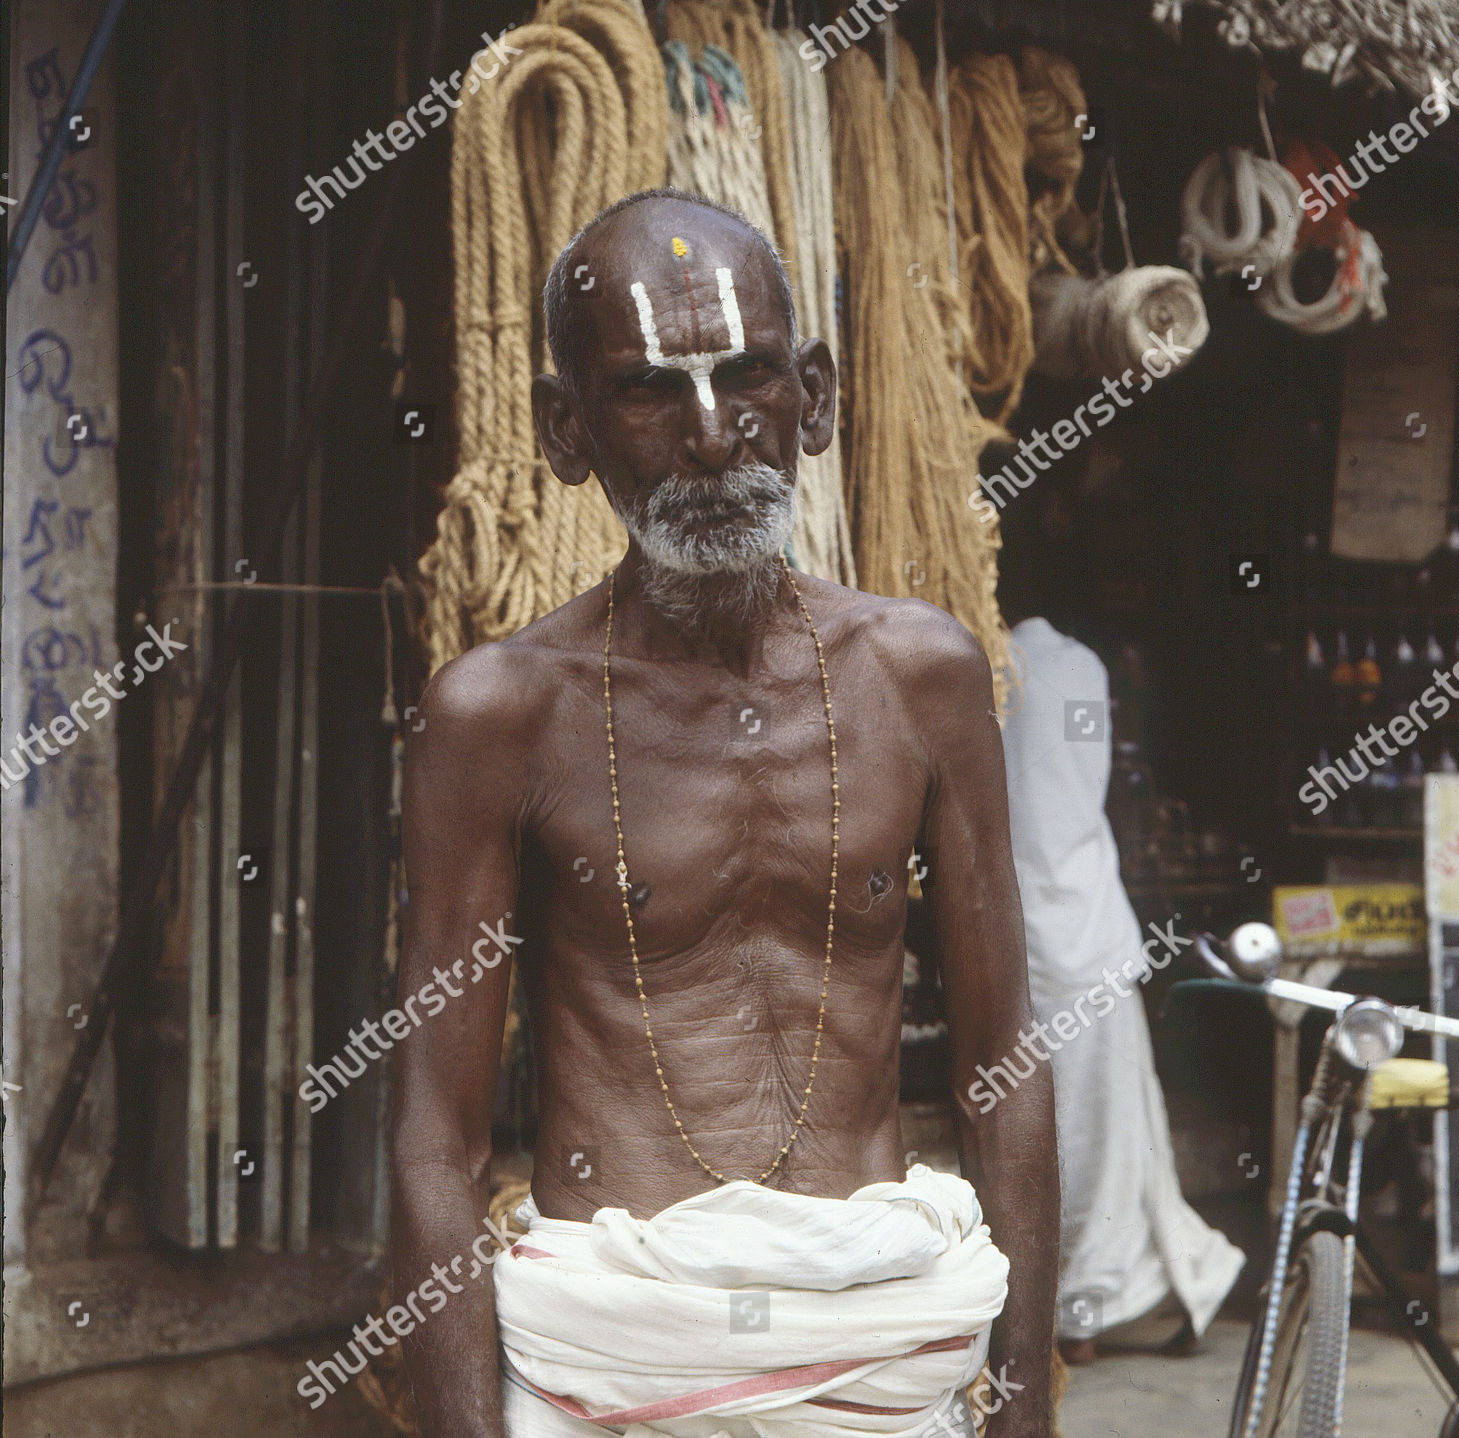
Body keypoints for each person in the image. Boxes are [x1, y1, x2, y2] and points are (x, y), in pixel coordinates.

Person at [392, 188, 1058, 1438]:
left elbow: (1004, 1065)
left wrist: (1025, 1403)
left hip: (878, 1333)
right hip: (613, 1346)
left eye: (748, 376)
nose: (712, 436)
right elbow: (438, 1135)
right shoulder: (496, 716)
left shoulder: (924, 676)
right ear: (564, 427)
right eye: (649, 391)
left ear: (814, 392)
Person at [991, 469, 1243, 1364]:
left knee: (1049, 1128)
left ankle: (1095, 1299)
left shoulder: (972, 670)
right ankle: (1096, 1301)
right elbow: (1093, 791)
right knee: (1104, 1127)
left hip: (1020, 934)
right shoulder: (1081, 669)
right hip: (1088, 927)